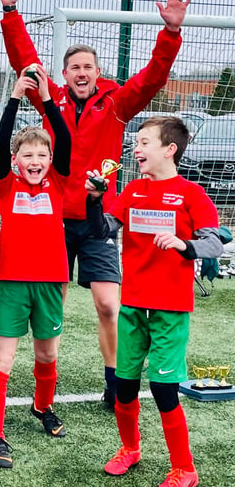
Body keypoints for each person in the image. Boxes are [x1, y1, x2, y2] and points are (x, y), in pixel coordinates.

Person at [0, 0, 193, 409]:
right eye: (73, 67)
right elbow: (24, 62)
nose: (80, 73)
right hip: (51, 221)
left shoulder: (118, 103)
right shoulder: (52, 99)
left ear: (97, 72)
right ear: (64, 74)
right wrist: (10, 11)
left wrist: (171, 32)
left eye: (87, 66)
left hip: (98, 220)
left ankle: (114, 382)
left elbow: (154, 77)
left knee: (108, 305)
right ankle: (45, 386)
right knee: (55, 311)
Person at [85, 116, 221, 487]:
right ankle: (130, 448)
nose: (136, 148)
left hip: (170, 310)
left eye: (144, 142)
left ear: (169, 149)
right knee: (124, 387)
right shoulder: (131, 191)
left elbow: (215, 242)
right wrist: (95, 201)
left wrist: (185, 245)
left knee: (163, 391)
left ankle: (185, 469)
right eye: (136, 142)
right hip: (132, 306)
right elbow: (103, 230)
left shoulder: (191, 193)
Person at [0, 66, 72, 469]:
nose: (35, 161)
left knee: (47, 354)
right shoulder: (7, 184)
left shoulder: (59, 182)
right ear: (16, 161)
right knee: (3, 359)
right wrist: (16, 96)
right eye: (28, 156)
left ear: (51, 160)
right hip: (14, 284)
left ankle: (42, 406)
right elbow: (1, 143)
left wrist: (48, 98)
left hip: (51, 282)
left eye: (42, 155)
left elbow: (64, 136)